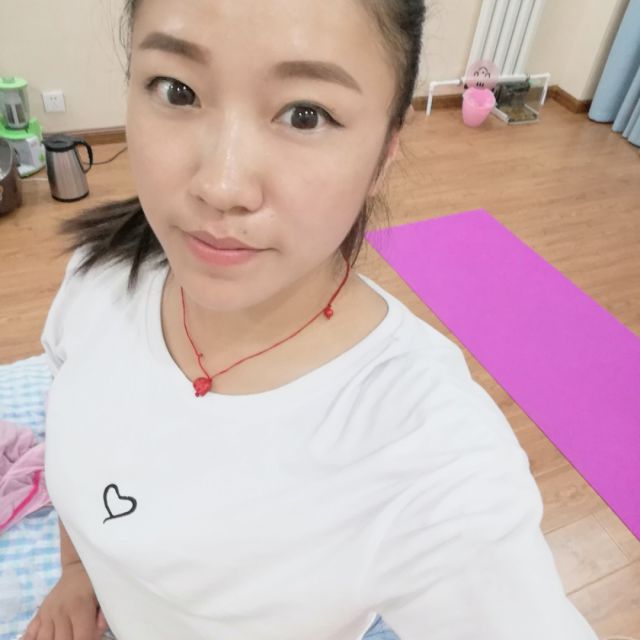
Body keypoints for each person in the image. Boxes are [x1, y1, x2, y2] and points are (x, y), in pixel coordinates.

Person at [24, 1, 600, 639]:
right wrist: (79, 571)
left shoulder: (423, 448)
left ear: (384, 152)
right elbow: (75, 429)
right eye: (177, 90)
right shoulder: (100, 275)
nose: (221, 186)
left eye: (306, 114)